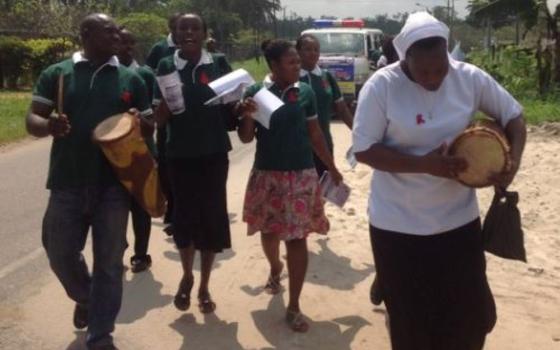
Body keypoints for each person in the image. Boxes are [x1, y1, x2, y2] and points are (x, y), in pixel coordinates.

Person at [352, 12, 526, 350]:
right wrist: (425, 165)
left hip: (458, 223)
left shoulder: (469, 78)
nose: (433, 79)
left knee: (472, 317)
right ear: (407, 58)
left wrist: (511, 162)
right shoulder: (382, 86)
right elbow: (364, 149)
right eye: (424, 71)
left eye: (440, 69)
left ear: (448, 55)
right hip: (398, 226)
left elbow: (515, 117)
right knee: (412, 322)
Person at [26, 13, 152, 350]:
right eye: (107, 30)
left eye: (115, 30)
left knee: (110, 264)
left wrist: (142, 123)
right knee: (60, 254)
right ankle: (86, 298)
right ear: (86, 34)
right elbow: (32, 118)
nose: (116, 35)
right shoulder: (58, 73)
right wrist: (48, 125)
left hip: (113, 186)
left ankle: (100, 335)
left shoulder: (131, 78)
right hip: (67, 181)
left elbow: (152, 123)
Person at [237, 39, 344, 333]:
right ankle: (274, 267)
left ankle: (294, 305)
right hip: (268, 175)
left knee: (297, 238)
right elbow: (246, 138)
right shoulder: (255, 93)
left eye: (299, 61)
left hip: (300, 176)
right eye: (292, 62)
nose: (299, 66)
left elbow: (315, 134)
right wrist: (246, 115)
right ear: (273, 66)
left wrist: (331, 166)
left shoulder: (305, 92)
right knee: (270, 231)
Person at [153, 13, 235, 315]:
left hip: (214, 153)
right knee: (185, 217)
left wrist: (242, 103)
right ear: (174, 32)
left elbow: (232, 108)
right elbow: (159, 120)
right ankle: (187, 275)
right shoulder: (165, 64)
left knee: (211, 217)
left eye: (194, 27)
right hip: (179, 154)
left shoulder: (218, 64)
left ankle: (204, 286)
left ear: (204, 33)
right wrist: (164, 101)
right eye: (182, 28)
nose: (188, 32)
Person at [117, 28, 156, 273]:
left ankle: (141, 254)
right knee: (114, 207)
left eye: (131, 42)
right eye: (122, 42)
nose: (127, 47)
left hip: (141, 150)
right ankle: (115, 251)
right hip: (112, 153)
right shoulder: (105, 77)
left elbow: (152, 117)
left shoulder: (143, 75)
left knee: (140, 206)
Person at [296, 33, 354, 177]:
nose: (313, 53)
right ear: (298, 51)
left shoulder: (326, 77)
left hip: (324, 143)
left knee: (324, 186)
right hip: (297, 145)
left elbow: (342, 109)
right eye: (308, 49)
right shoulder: (292, 77)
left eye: (316, 49)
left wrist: (357, 131)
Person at [146, 12, 182, 236]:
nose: (184, 32)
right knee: (166, 164)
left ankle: (180, 210)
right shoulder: (160, 50)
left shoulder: (198, 50)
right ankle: (171, 208)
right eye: (179, 27)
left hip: (188, 119)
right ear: (171, 27)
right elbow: (149, 75)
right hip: (164, 113)